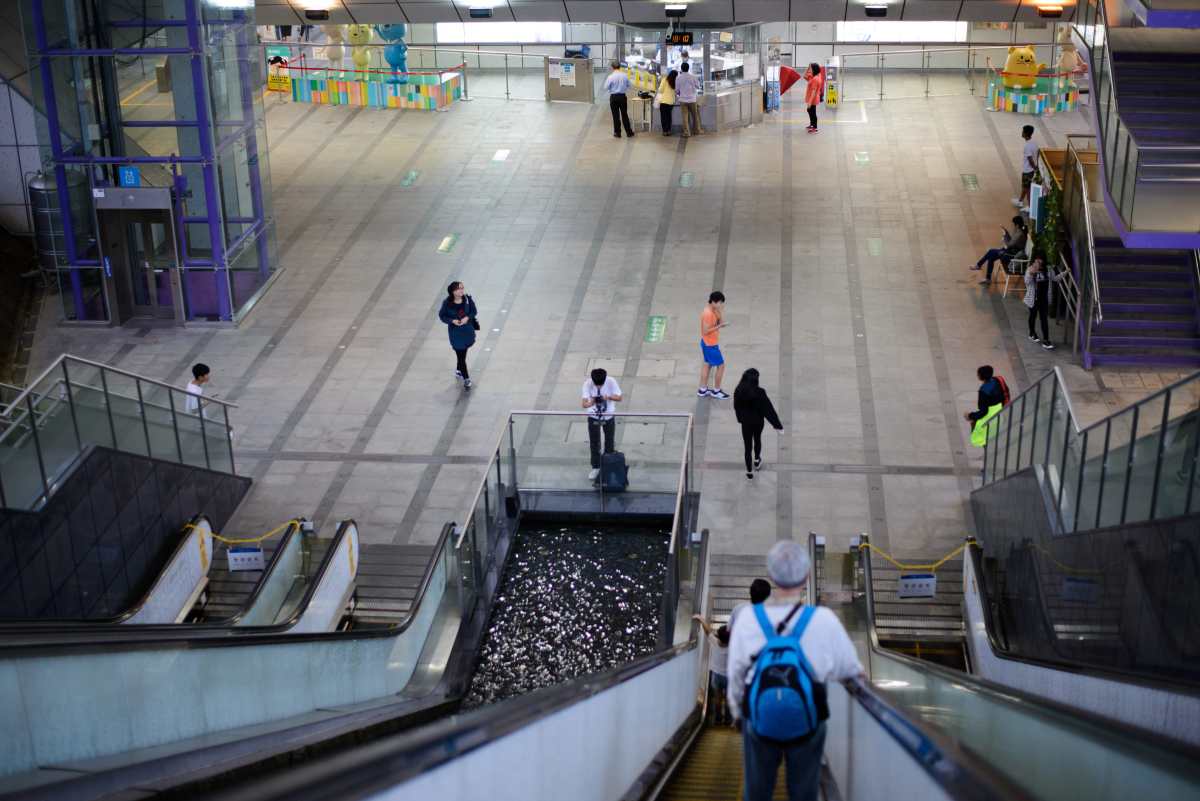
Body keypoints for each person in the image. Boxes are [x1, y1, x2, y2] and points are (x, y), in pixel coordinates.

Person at [727, 541, 865, 801]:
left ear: (772, 577)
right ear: (807, 576)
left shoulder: (748, 619)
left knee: (756, 791)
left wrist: (737, 713)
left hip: (758, 719)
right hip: (808, 721)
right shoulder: (823, 620)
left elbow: (736, 673)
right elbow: (852, 671)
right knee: (803, 792)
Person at [733, 368, 785, 481]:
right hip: (758, 422)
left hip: (746, 423)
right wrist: (777, 425)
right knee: (757, 439)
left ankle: (749, 471)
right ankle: (756, 460)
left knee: (747, 447)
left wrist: (740, 419)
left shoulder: (738, 390)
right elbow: (768, 410)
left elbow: (736, 407)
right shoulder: (760, 392)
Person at [581, 367, 623, 481]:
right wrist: (592, 402)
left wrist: (608, 397)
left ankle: (609, 466)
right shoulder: (587, 384)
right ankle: (596, 467)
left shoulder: (611, 381)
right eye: (597, 385)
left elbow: (619, 397)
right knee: (594, 442)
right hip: (593, 416)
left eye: (601, 385)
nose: (599, 387)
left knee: (609, 440)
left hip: (608, 415)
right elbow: (584, 404)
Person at [438, 281, 479, 390]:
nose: (461, 290)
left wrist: (467, 318)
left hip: (467, 332)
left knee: (462, 353)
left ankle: (458, 370)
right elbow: (442, 316)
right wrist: (452, 321)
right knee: (461, 356)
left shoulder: (467, 300)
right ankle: (466, 378)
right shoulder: (447, 303)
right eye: (458, 289)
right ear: (452, 292)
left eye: (462, 288)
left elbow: (474, 311)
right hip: (456, 334)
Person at [692, 615, 731, 724]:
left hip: (716, 676)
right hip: (729, 677)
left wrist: (701, 619)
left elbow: (707, 630)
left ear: (718, 636)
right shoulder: (732, 647)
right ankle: (728, 718)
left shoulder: (714, 642)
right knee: (728, 697)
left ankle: (718, 717)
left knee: (717, 696)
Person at [970, 216, 1028, 284]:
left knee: (991, 253)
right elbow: (1011, 241)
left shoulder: (1020, 234)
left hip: (1011, 255)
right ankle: (983, 273)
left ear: (1017, 225)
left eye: (1013, 224)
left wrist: (1004, 236)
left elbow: (1009, 244)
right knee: (991, 255)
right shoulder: (1018, 231)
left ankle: (980, 268)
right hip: (1009, 251)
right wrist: (1006, 232)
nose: (1012, 225)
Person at [1024, 254, 1064, 350]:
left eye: (1039, 262)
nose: (1037, 264)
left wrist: (1065, 272)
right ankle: (1032, 333)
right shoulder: (1030, 269)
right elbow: (1027, 282)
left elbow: (1055, 279)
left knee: (1044, 319)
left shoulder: (1048, 270)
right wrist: (1031, 273)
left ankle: (1046, 339)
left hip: (1044, 299)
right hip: (1033, 299)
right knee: (1032, 316)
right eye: (1036, 261)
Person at [698, 291, 729, 400]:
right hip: (710, 344)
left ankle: (702, 389)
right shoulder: (708, 314)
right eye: (720, 303)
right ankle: (716, 390)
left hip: (709, 343)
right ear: (714, 302)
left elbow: (721, 321)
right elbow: (705, 331)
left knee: (707, 365)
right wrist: (719, 326)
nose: (721, 305)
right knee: (721, 366)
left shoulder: (714, 310)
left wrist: (720, 312)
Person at [604, 62, 634, 139]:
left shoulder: (610, 77)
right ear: (620, 67)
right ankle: (629, 132)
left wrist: (612, 88)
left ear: (612, 67)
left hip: (613, 97)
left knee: (615, 116)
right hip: (622, 97)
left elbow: (605, 87)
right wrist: (623, 87)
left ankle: (617, 133)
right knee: (624, 115)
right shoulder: (624, 75)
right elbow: (630, 86)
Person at [1013, 124, 1037, 212]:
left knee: (1027, 188)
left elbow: (1030, 160)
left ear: (1026, 133)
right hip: (1029, 170)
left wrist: (1035, 168)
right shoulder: (1033, 143)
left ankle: (1030, 207)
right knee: (1025, 186)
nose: (1021, 133)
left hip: (1028, 170)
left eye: (1023, 131)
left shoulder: (1027, 146)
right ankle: (1020, 201)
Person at [675, 62, 701, 137]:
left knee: (685, 117)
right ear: (688, 68)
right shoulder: (693, 77)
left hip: (683, 100)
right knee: (695, 116)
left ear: (681, 69)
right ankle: (696, 130)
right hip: (692, 99)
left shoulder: (678, 78)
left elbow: (676, 90)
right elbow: (698, 86)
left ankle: (686, 133)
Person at [802, 63, 824, 133]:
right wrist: (808, 68)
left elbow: (813, 92)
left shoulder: (815, 79)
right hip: (811, 98)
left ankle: (815, 127)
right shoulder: (813, 76)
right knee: (810, 111)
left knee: (813, 112)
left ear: (814, 69)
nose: (809, 70)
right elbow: (805, 77)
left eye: (811, 68)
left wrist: (810, 102)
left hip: (813, 99)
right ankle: (812, 125)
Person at [656, 69, 677, 136]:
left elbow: (660, 90)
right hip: (671, 102)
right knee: (669, 117)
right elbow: (677, 92)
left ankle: (665, 131)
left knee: (663, 117)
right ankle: (669, 131)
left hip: (664, 101)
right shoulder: (675, 81)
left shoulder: (665, 79)